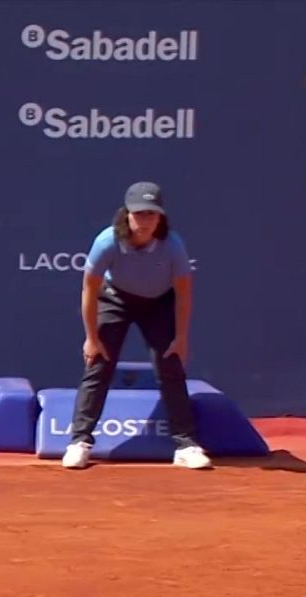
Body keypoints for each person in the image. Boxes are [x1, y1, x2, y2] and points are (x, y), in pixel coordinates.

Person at [62, 181, 212, 471]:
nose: (145, 222)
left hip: (158, 303)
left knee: (171, 364)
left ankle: (186, 445)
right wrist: (91, 338)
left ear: (161, 217)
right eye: (139, 214)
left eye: (152, 215)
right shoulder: (107, 241)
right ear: (127, 214)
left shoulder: (173, 245)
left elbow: (183, 293)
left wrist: (181, 337)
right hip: (115, 298)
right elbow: (89, 290)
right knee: (98, 363)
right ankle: (80, 441)